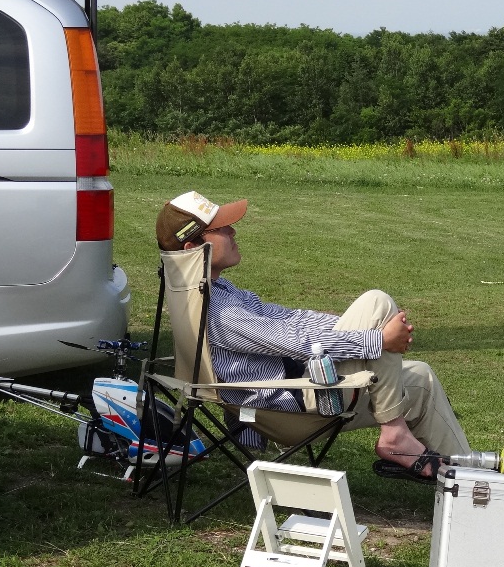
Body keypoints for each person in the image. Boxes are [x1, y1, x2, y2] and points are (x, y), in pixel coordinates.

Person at [155, 190, 470, 484]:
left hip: (303, 391)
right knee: (377, 302)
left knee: (421, 378)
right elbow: (298, 342)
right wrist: (377, 340)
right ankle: (394, 433)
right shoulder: (219, 312)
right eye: (221, 229)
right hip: (292, 408)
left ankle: (470, 483)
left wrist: (356, 326)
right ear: (194, 249)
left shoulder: (215, 292)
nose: (233, 232)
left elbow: (289, 318)